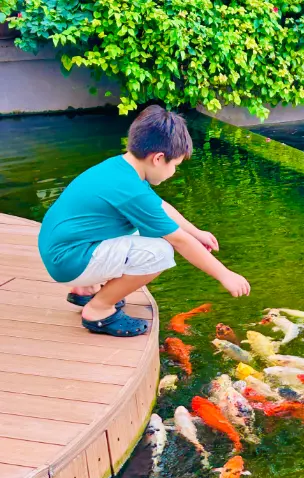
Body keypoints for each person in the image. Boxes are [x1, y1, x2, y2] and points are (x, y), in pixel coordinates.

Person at [38, 105, 251, 337]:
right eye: (175, 166)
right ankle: (99, 310)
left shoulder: (121, 167)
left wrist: (196, 232)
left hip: (61, 247)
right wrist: (225, 275)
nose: (174, 172)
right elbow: (179, 242)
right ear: (159, 158)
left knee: (146, 229)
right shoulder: (130, 189)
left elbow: (159, 207)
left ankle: (85, 289)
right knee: (160, 252)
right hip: (68, 261)